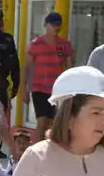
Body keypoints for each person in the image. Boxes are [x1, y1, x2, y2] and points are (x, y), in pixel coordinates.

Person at [20, 11, 73, 140]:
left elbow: (69, 68)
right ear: (46, 25)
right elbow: (26, 68)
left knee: (53, 123)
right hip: (39, 88)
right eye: (53, 24)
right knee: (42, 121)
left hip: (57, 89)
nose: (56, 27)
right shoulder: (35, 44)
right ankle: (36, 152)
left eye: (58, 25)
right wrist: (23, 90)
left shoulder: (65, 45)